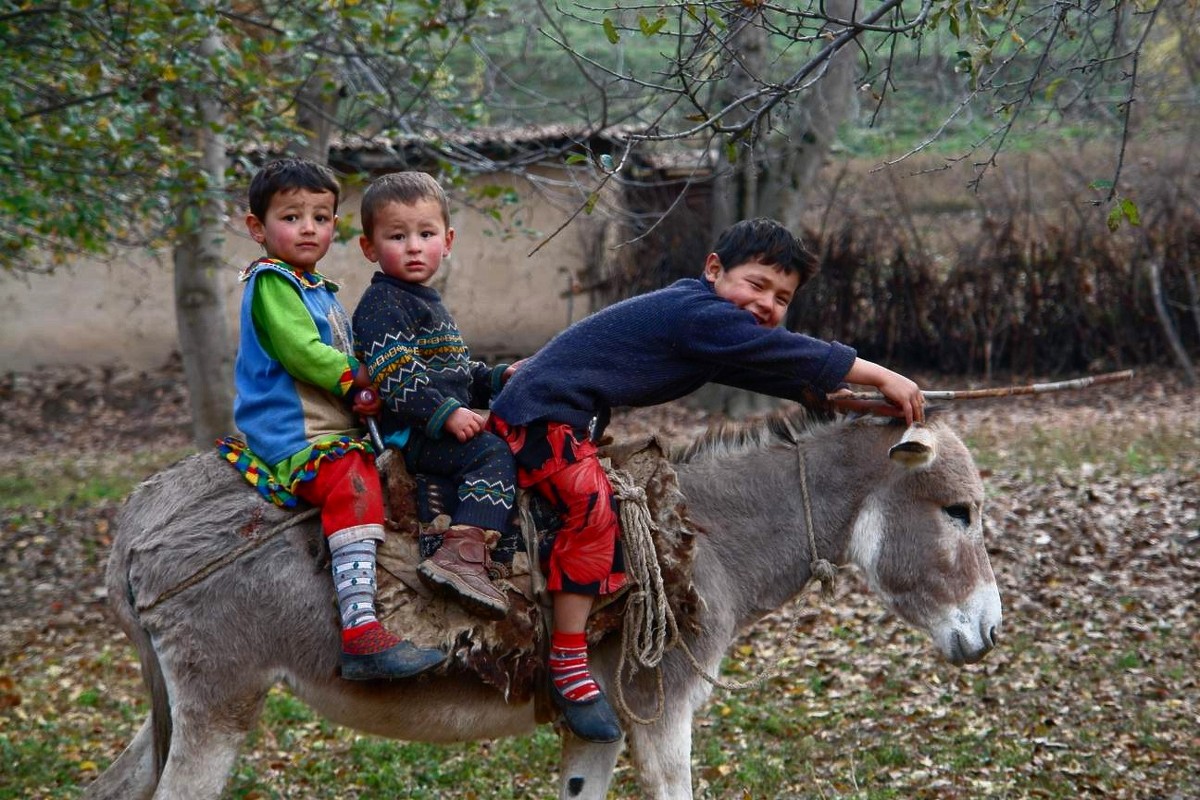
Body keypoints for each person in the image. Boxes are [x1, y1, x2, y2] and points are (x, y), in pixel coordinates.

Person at [486, 217, 926, 743]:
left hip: (559, 415)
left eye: (782, 297)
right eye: (757, 285)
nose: (767, 304)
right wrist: (879, 375)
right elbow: (777, 352)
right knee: (592, 513)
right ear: (713, 269)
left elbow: (756, 367)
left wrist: (822, 394)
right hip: (541, 418)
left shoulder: (700, 319)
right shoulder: (696, 313)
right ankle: (567, 660)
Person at [229, 157, 446, 681]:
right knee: (351, 483)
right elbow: (301, 353)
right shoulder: (272, 284)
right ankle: (361, 631)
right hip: (296, 430)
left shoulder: (319, 290)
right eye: (292, 217)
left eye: (321, 218)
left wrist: (362, 396)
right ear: (257, 228)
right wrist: (357, 377)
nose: (309, 228)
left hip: (331, 419)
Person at [352, 171, 519, 621]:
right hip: (412, 433)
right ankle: (462, 555)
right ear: (370, 247)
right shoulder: (384, 304)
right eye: (397, 235)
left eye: (425, 234)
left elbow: (455, 374)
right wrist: (446, 413)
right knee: (491, 455)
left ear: (446, 241)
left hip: (433, 422)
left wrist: (502, 378)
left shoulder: (423, 301)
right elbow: (396, 374)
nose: (413, 246)